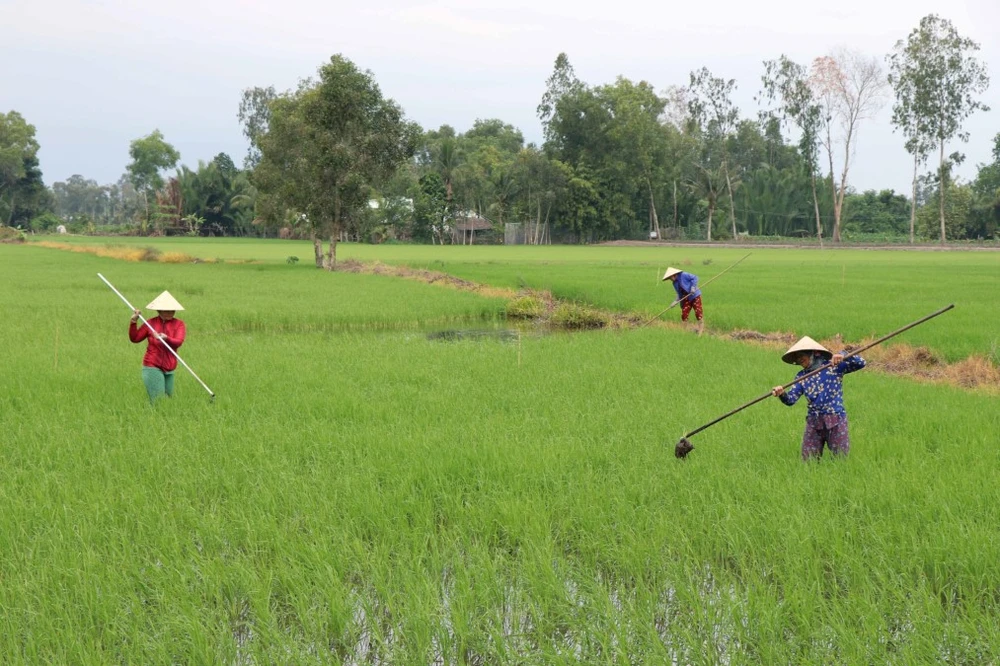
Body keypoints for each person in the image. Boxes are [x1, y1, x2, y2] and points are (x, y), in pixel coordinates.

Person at [771, 336, 865, 460]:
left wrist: (842, 354)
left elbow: (861, 363)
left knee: (840, 460)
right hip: (813, 422)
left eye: (801, 356)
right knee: (809, 461)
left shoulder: (833, 366)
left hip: (835, 419)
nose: (799, 360)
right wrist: (781, 393)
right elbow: (790, 400)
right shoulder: (801, 376)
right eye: (797, 358)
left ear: (813, 354)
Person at [129, 291, 186, 404]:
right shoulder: (150, 323)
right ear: (159, 310)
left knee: (168, 398)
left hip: (170, 367)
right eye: (166, 310)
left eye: (172, 310)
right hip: (152, 365)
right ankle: (154, 418)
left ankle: (165, 418)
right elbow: (135, 338)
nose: (170, 312)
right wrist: (133, 321)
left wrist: (166, 338)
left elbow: (178, 342)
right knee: (158, 400)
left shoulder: (179, 324)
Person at [662, 267, 704, 335]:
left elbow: (695, 277)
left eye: (670, 278)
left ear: (674, 275)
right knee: (684, 314)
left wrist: (693, 287)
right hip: (686, 298)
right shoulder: (674, 283)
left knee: (698, 313)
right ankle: (684, 333)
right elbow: (679, 293)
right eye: (669, 279)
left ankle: (700, 333)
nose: (670, 279)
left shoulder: (684, 275)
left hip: (694, 296)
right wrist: (675, 301)